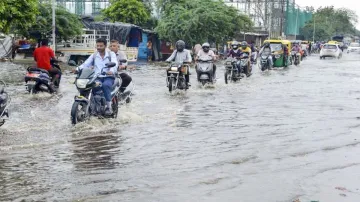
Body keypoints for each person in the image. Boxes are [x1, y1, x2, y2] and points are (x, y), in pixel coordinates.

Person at [75, 38, 118, 115]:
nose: (98, 47)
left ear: (105, 46)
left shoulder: (111, 54)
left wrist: (111, 70)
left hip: (108, 76)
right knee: (89, 86)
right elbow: (86, 64)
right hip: (97, 77)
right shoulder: (94, 55)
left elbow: (114, 63)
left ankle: (108, 107)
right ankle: (92, 104)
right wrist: (77, 69)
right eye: (97, 46)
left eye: (101, 46)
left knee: (106, 85)